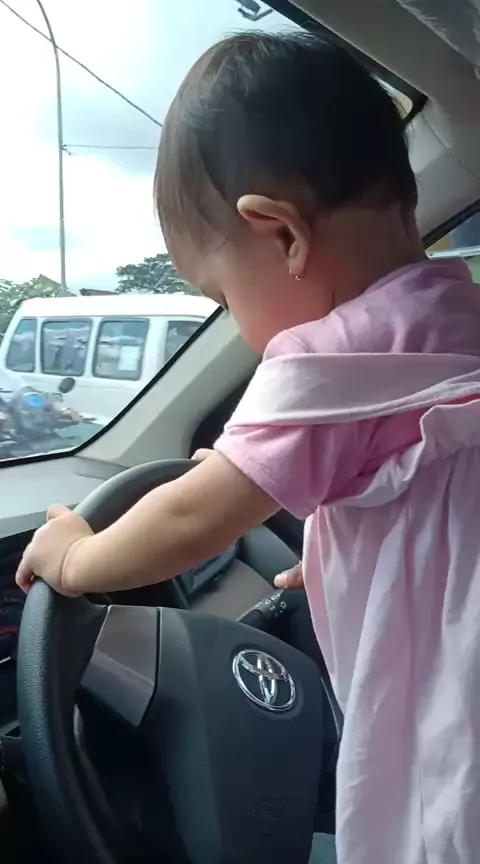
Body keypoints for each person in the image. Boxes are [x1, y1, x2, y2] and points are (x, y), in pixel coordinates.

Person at [15, 32, 480, 864]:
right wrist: (360, 545)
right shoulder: (456, 313)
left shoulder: (324, 362)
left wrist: (76, 557)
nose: (236, 323)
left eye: (223, 297)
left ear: (282, 234)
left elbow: (193, 519)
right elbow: (420, 486)